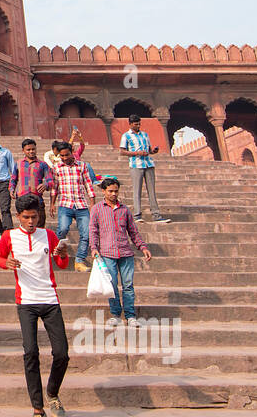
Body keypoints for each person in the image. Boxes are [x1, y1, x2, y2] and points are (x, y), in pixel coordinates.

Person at [0, 193, 73, 417]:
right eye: (27, 217)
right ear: (18, 216)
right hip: (26, 301)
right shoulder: (9, 236)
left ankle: (53, 393)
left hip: (49, 299)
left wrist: (62, 253)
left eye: (35, 217)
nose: (31, 221)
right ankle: (38, 410)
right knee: (30, 352)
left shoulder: (48, 235)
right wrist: (5, 263)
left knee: (61, 353)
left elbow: (61, 263)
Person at [89, 176, 152, 328]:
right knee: (112, 285)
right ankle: (115, 314)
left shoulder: (124, 210)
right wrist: (93, 248)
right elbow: (93, 230)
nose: (113, 194)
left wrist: (143, 247)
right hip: (107, 253)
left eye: (116, 191)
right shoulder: (97, 209)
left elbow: (133, 231)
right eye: (110, 191)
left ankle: (130, 315)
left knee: (128, 286)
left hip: (125, 252)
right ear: (103, 191)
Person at [48, 141, 95, 272]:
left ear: (72, 152)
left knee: (86, 233)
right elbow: (54, 188)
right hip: (65, 204)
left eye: (67, 155)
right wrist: (52, 204)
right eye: (62, 156)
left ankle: (79, 261)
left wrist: (92, 202)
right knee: (62, 229)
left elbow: (88, 185)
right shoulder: (57, 168)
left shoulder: (82, 166)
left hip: (81, 204)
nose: (64, 158)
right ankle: (56, 254)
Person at [120, 115, 170, 223]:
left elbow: (149, 150)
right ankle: (137, 215)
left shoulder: (145, 135)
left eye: (139, 124)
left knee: (152, 190)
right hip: (136, 164)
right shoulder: (126, 136)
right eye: (136, 124)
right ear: (130, 124)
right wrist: (137, 153)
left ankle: (156, 215)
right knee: (137, 190)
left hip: (148, 164)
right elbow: (122, 151)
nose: (138, 126)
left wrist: (154, 151)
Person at [10, 138, 52, 229]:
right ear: (23, 151)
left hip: (37, 200)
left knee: (40, 225)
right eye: (28, 150)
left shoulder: (42, 164)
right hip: (22, 199)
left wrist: (46, 185)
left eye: (33, 149)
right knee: (24, 226)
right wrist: (11, 189)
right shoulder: (18, 163)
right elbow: (13, 179)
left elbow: (51, 181)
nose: (31, 151)